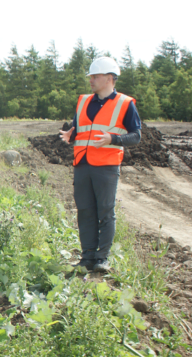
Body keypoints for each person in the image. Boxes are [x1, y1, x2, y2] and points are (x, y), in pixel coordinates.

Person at [59, 56, 141, 272]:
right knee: (85, 210)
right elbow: (80, 128)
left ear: (109, 78)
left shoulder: (125, 103)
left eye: (95, 76)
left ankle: (102, 258)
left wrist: (113, 139)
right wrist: (71, 133)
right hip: (82, 163)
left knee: (105, 211)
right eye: (91, 76)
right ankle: (87, 257)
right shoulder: (84, 101)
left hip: (106, 166)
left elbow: (136, 136)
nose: (91, 80)